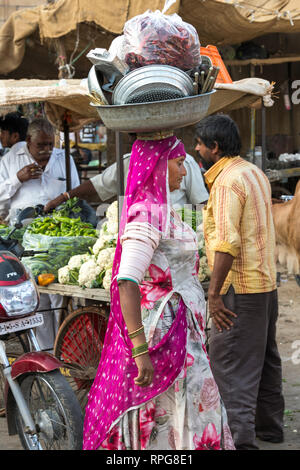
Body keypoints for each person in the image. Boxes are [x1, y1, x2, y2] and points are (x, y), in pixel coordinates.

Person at [83, 133, 235, 451]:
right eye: (179, 164)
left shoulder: (163, 209)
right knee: (183, 411)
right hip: (162, 338)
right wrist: (140, 351)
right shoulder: (147, 215)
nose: (184, 171)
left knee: (182, 411)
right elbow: (127, 281)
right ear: (158, 166)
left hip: (181, 335)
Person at [194, 114, 284, 450]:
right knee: (264, 359)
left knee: (232, 368)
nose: (197, 149)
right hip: (265, 286)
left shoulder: (227, 181)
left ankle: (241, 442)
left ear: (214, 147)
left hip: (241, 290)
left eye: (200, 144)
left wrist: (214, 294)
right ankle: (271, 429)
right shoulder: (253, 172)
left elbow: (227, 242)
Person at [0, 118, 80, 352]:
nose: (46, 151)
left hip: (60, 238)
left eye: (50, 145)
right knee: (38, 295)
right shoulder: (10, 160)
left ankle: (65, 351)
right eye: (41, 146)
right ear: (28, 142)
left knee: (60, 296)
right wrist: (18, 179)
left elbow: (74, 192)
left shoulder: (62, 159)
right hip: (25, 240)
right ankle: (47, 351)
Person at [43, 144, 209, 213]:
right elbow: (98, 184)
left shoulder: (185, 161)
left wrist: (187, 238)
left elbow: (198, 204)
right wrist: (65, 197)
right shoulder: (130, 162)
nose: (183, 171)